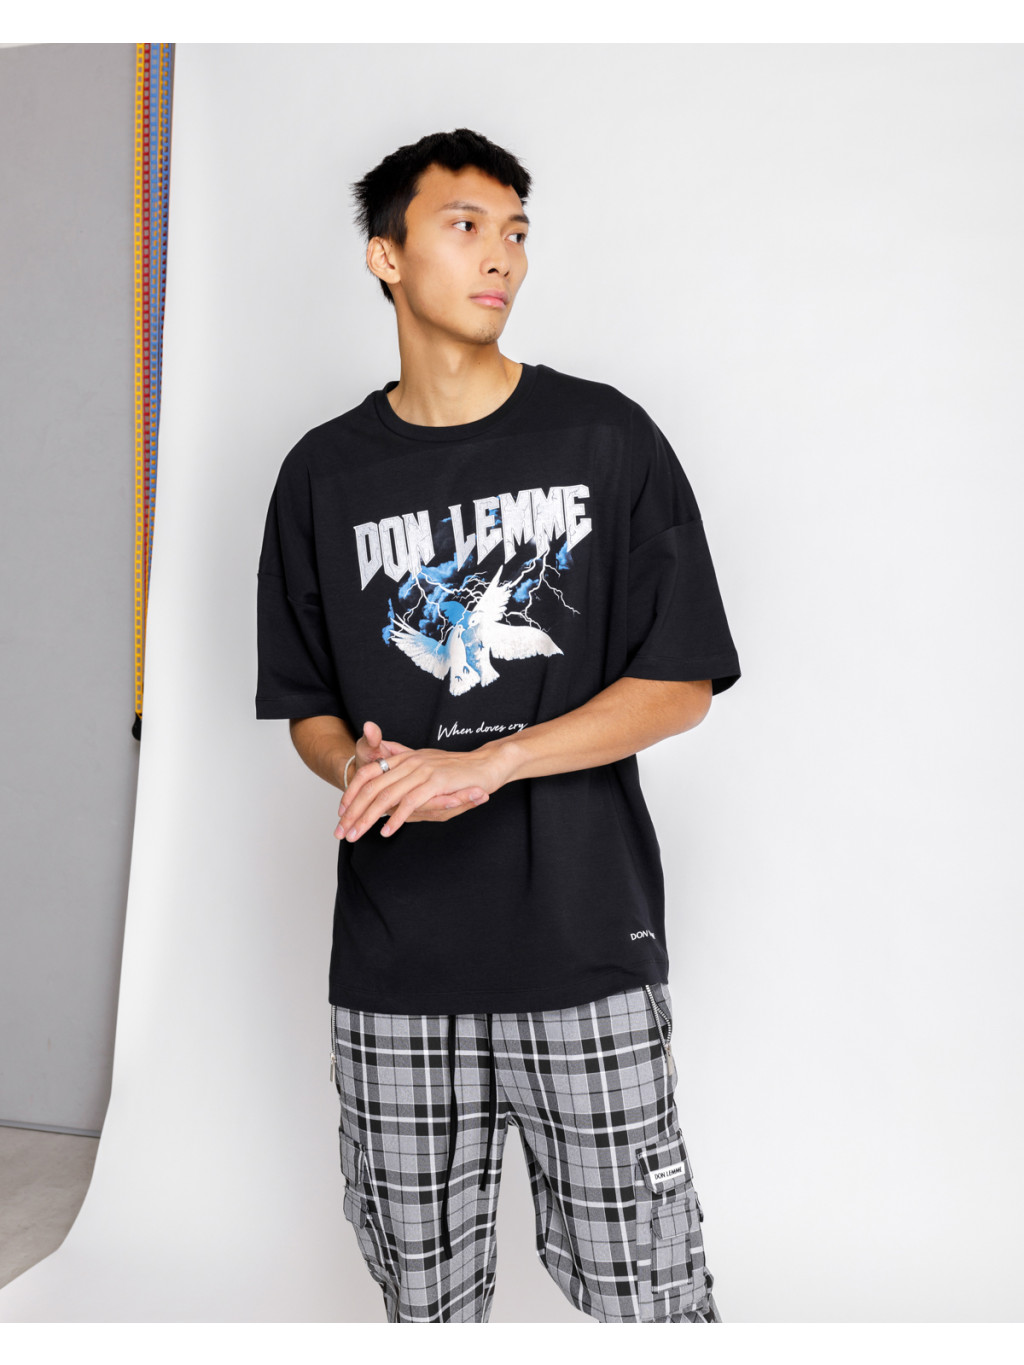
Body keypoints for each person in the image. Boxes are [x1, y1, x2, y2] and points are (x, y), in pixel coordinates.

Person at [255, 127, 741, 1324]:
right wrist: (365, 767)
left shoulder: (604, 438)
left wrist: (491, 761)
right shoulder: (321, 475)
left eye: (516, 231)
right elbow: (307, 706)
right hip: (393, 971)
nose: (502, 257)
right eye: (465, 225)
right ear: (385, 256)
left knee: (649, 1295)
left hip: (582, 948)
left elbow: (679, 682)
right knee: (423, 1306)